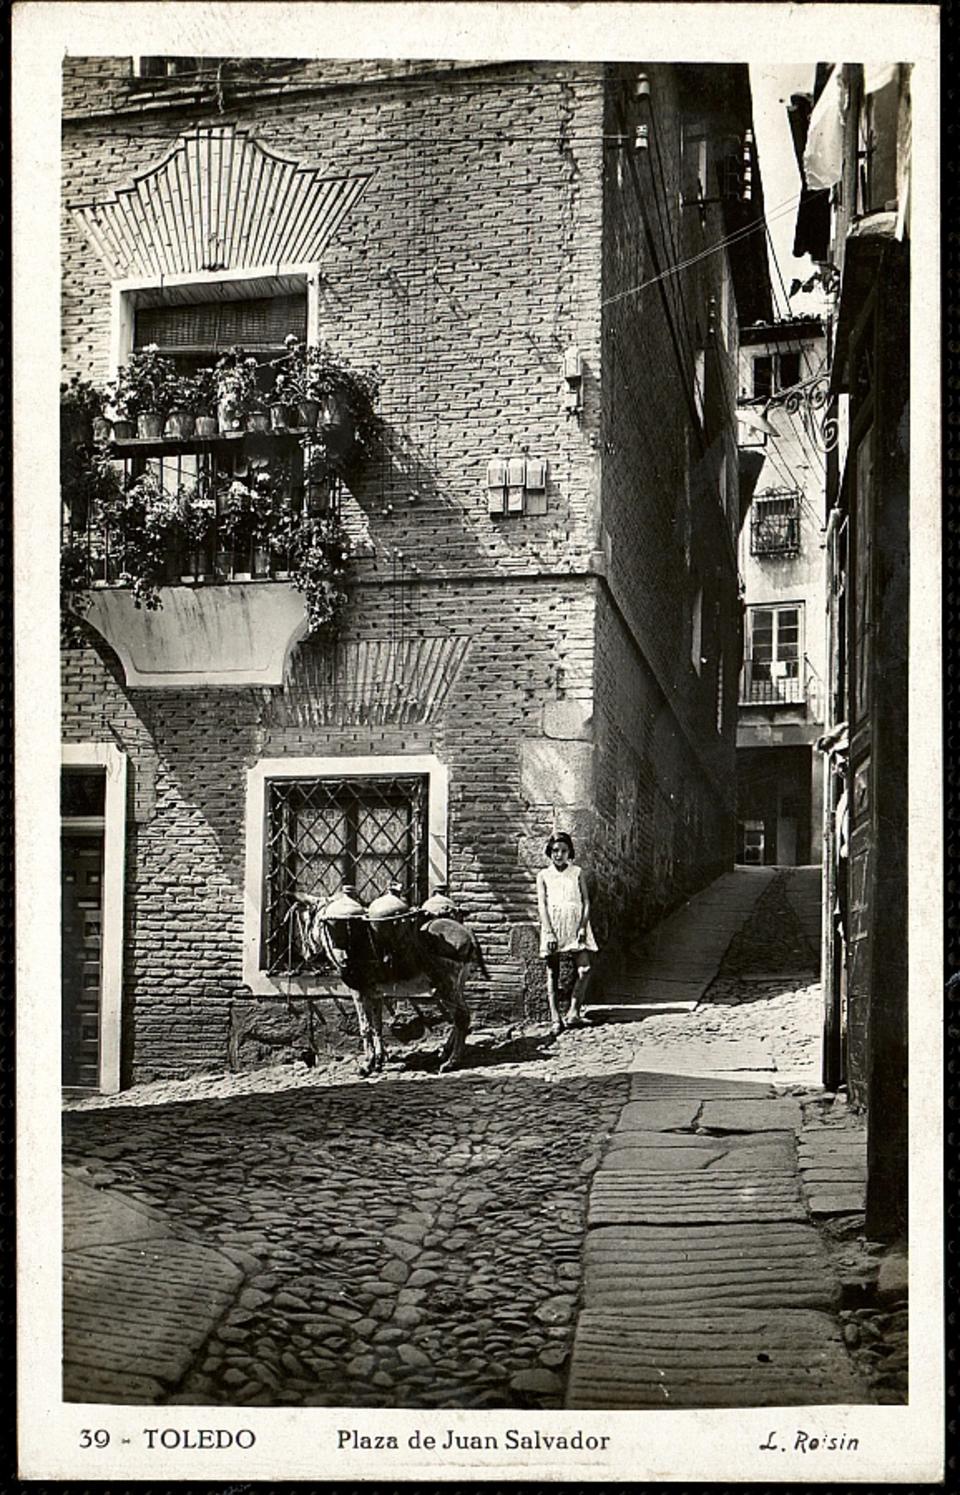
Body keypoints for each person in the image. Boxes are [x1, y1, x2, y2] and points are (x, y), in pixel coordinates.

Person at [536, 832, 598, 1035]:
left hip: (575, 926)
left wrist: (582, 927)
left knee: (585, 969)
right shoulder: (543, 875)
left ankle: (573, 1012)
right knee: (552, 972)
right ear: (550, 852)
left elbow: (586, 901)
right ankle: (555, 1018)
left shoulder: (577, 872)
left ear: (569, 852)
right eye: (555, 851)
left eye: (563, 851)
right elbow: (542, 905)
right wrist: (549, 932)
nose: (559, 855)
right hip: (553, 926)